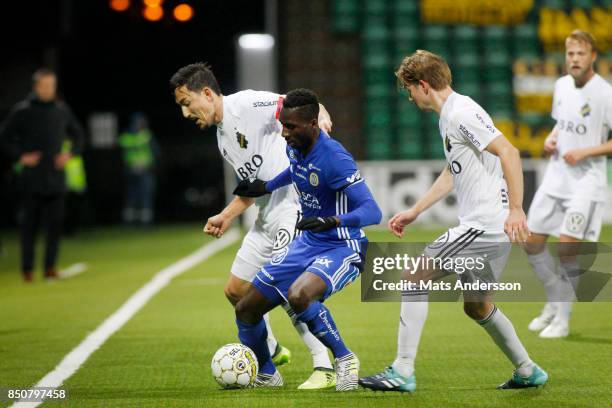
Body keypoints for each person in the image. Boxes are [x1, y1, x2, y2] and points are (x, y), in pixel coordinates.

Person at [358, 50, 548, 392]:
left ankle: (402, 370)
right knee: (477, 307)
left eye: (410, 89)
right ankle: (528, 370)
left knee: (414, 275)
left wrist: (516, 208)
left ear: (424, 85)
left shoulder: (461, 114)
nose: (410, 97)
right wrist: (417, 210)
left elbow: (510, 151)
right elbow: (454, 169)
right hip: (491, 228)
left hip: (482, 226)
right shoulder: (452, 114)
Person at [169, 63, 336, 389]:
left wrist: (323, 118)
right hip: (265, 216)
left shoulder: (245, 104)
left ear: (206, 93)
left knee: (289, 289)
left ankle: (324, 365)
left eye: (186, 103)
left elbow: (296, 103)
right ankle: (270, 357)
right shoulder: (223, 140)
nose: (185, 113)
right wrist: (226, 215)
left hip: (292, 207)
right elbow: (252, 189)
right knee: (236, 290)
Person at [231, 88, 382, 390]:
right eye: (282, 125)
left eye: (291, 127)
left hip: (343, 245)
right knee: (246, 309)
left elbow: (373, 211)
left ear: (313, 124)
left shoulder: (335, 158)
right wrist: (266, 186)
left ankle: (344, 358)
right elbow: (295, 171)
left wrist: (334, 220)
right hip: (308, 243)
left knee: (300, 295)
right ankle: (268, 374)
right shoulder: (295, 146)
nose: (284, 133)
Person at [524, 30, 612, 339]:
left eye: (580, 54)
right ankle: (552, 301)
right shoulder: (561, 86)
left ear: (593, 57)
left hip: (586, 183)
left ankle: (562, 317)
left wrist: (586, 151)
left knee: (566, 250)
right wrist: (552, 138)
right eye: (570, 54)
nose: (574, 59)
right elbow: (562, 123)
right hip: (556, 176)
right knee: (531, 241)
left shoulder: (605, 94)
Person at [0, 68, 84, 282]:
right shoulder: (23, 111)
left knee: (54, 226)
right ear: (36, 87)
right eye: (44, 86)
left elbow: (78, 134)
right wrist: (21, 156)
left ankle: (50, 268)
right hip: (31, 179)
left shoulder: (61, 110)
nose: (48, 90)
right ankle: (27, 270)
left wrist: (69, 154)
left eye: (51, 86)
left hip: (56, 178)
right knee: (28, 227)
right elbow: (4, 138)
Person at [119, 112, 158, 225]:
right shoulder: (144, 135)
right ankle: (132, 222)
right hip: (133, 172)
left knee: (141, 196)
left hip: (142, 171)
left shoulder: (128, 136)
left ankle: (143, 222)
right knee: (133, 197)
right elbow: (155, 153)